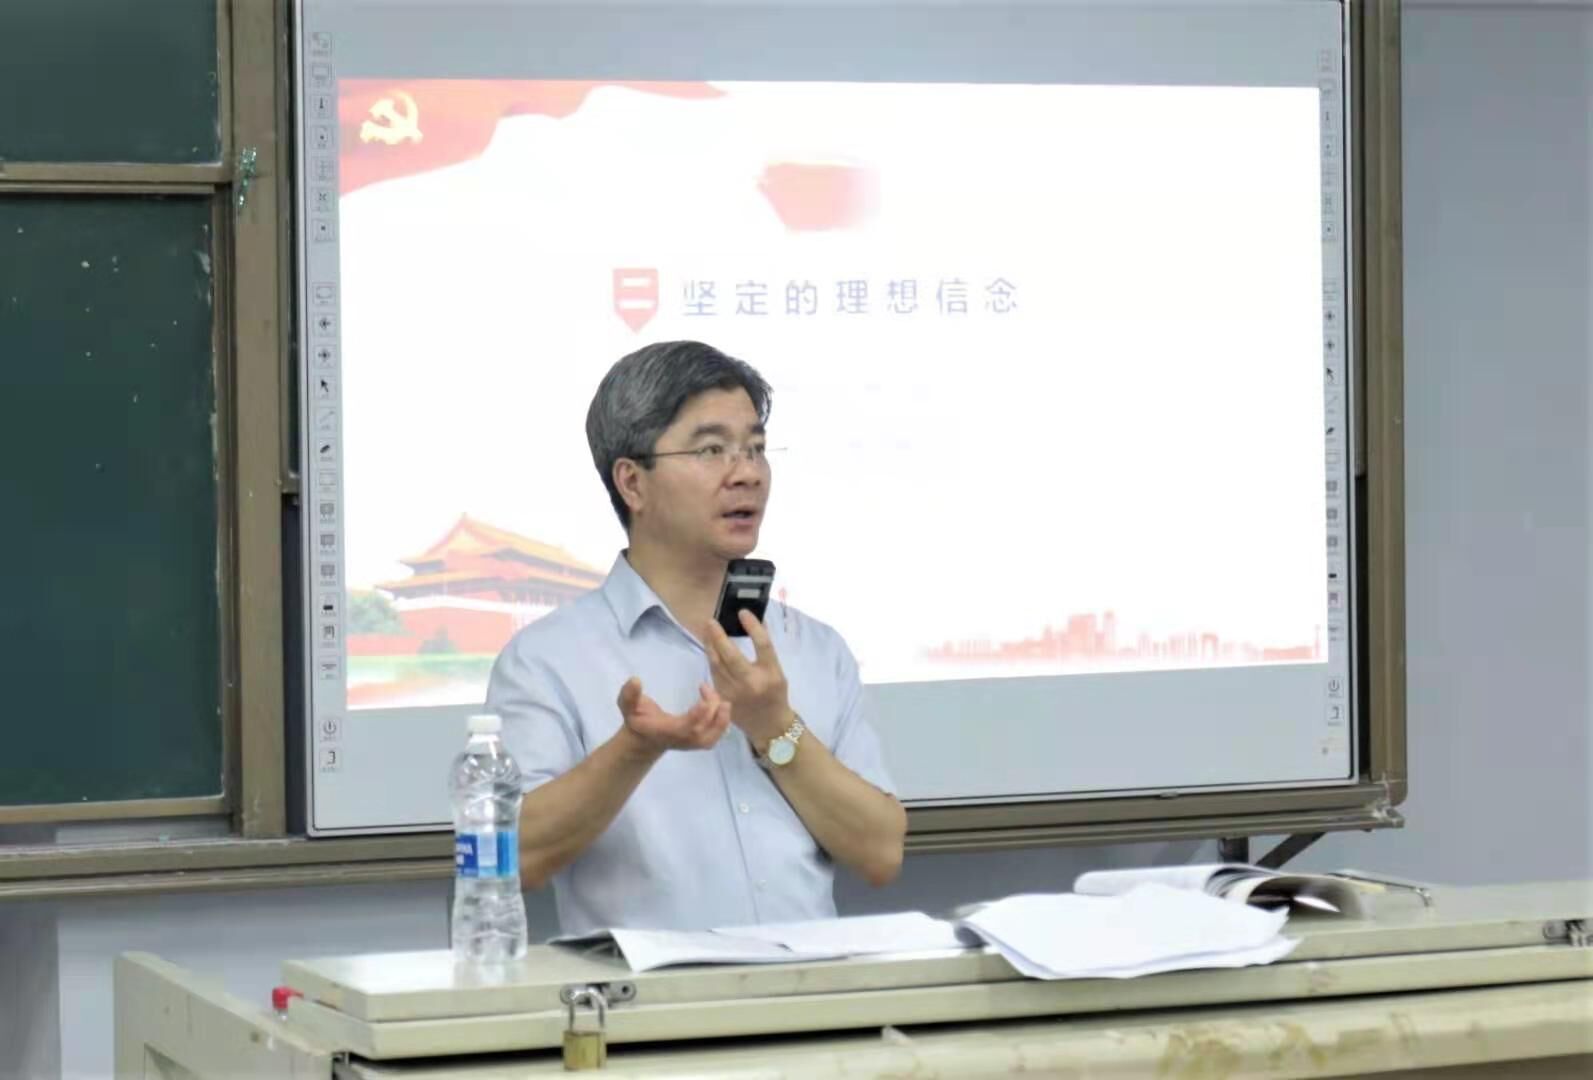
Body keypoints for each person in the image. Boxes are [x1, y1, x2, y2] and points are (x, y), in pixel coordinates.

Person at [485, 340, 906, 934]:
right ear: (633, 483)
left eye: (755, 449)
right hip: (648, 992)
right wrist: (635, 748)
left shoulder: (815, 648)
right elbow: (514, 859)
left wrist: (774, 727)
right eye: (711, 450)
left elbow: (881, 853)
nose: (748, 473)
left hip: (808, 988)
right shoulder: (547, 660)